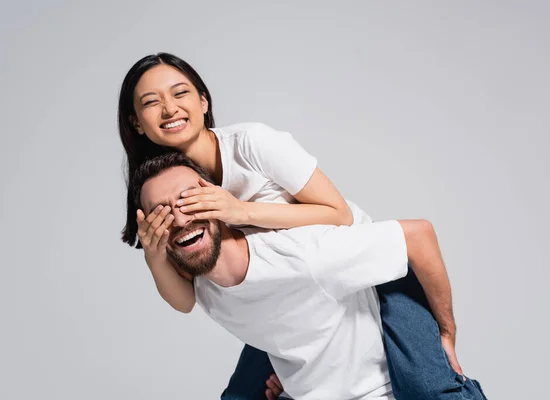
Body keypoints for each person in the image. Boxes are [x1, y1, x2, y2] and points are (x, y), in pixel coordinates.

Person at [117, 52, 486, 399]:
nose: (169, 108)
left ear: (203, 102)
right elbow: (191, 298)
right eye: (151, 102)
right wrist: (155, 258)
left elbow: (337, 213)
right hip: (287, 294)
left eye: (180, 93)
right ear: (136, 122)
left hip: (367, 274)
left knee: (429, 387)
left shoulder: (252, 145)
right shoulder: (166, 185)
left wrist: (240, 212)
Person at [131, 151, 486, 399]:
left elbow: (418, 235)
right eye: (162, 213)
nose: (179, 218)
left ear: (219, 201)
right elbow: (181, 301)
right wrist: (154, 257)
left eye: (190, 200)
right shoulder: (205, 286)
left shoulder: (305, 257)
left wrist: (446, 331)